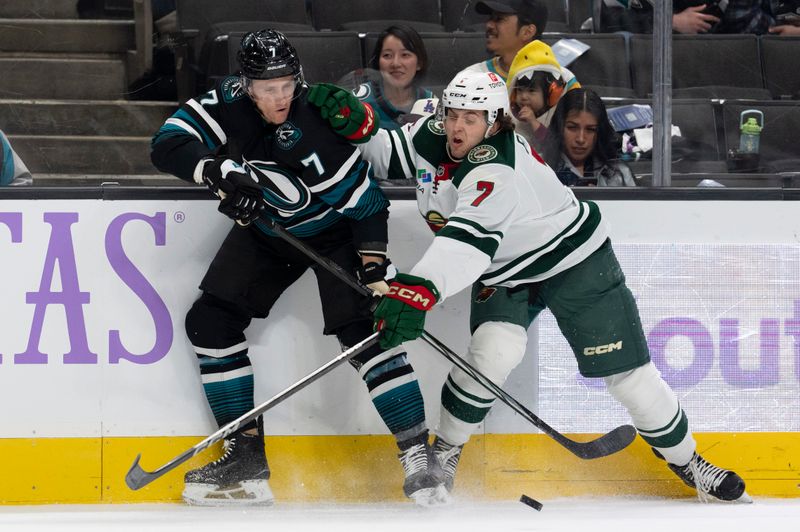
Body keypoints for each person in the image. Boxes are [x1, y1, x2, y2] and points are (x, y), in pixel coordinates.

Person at [312, 69, 751, 504]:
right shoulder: (439, 132)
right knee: (492, 353)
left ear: (496, 120)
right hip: (506, 271)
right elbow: (395, 152)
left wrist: (418, 290)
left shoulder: (497, 168)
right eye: (453, 114)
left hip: (574, 261)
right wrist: (361, 125)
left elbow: (466, 242)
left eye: (472, 118)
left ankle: (688, 460)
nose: (458, 127)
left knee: (629, 379)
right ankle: (444, 451)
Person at [150, 29, 443, 507]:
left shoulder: (316, 127)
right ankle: (245, 458)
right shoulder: (228, 101)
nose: (279, 97)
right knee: (210, 322)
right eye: (267, 89)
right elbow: (167, 143)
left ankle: (418, 458)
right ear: (246, 85)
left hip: (338, 233)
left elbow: (368, 205)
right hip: (271, 232)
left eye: (287, 84)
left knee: (366, 334)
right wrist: (217, 171)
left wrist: (373, 268)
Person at [346, 25, 436, 130]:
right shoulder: (358, 101)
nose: (396, 63)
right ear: (378, 61)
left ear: (419, 63)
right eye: (387, 55)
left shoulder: (431, 103)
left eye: (405, 55)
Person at [546, 88, 636, 187]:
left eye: (590, 130)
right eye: (572, 127)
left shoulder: (619, 173)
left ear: (600, 132)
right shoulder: (541, 170)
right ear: (559, 128)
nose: (580, 139)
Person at [506, 40, 581, 157]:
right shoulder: (510, 112)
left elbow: (554, 145)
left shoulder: (560, 112)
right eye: (519, 90)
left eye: (531, 91)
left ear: (550, 94)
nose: (524, 97)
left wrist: (533, 122)